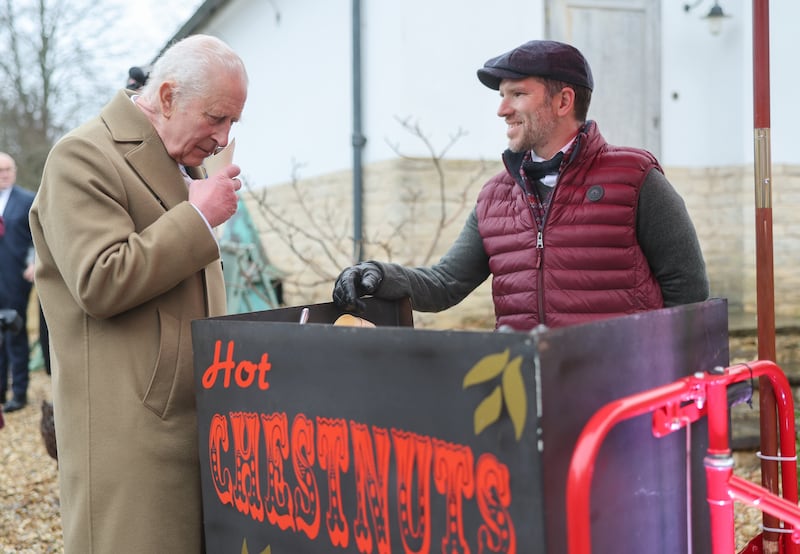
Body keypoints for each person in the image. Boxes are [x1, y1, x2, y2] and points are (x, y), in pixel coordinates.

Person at [29, 34, 247, 552]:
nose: (223, 138)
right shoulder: (81, 156)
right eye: (216, 118)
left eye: (233, 123)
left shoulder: (181, 159)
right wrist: (197, 217)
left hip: (193, 415)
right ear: (167, 97)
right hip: (131, 427)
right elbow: (100, 280)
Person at [333, 39, 709, 331]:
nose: (502, 109)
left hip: (622, 401)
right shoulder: (496, 198)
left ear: (564, 101)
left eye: (518, 94)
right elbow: (446, 282)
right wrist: (381, 276)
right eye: (502, 96)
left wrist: (667, 377)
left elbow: (688, 293)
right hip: (531, 392)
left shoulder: (635, 179)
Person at [0, 152, 35, 412]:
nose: (4, 175)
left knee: (14, 331)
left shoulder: (27, 200)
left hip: (15, 277)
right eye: (0, 171)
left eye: (8, 169)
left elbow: (40, 236)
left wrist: (35, 262)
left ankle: (19, 392)